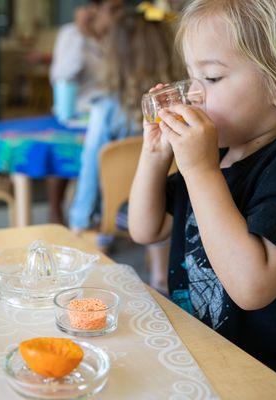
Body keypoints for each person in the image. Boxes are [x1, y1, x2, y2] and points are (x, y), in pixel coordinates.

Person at [128, 0, 276, 398]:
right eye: (191, 76)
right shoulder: (214, 156)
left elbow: (252, 288)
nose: (193, 95)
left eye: (212, 78)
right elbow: (146, 229)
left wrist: (200, 172)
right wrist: (155, 154)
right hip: (205, 359)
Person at [68, 7, 184, 293]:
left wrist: (79, 222)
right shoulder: (179, 106)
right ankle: (159, 276)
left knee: (91, 202)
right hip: (171, 205)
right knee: (164, 198)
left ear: (115, 56)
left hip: (122, 211)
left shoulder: (105, 109)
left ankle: (105, 251)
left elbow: (92, 169)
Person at [47, 0, 124, 224]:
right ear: (93, 10)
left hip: (108, 112)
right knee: (63, 151)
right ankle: (58, 214)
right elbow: (62, 75)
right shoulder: (71, 34)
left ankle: (101, 215)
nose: (119, 15)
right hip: (76, 113)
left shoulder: (118, 36)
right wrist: (83, 35)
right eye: (113, 9)